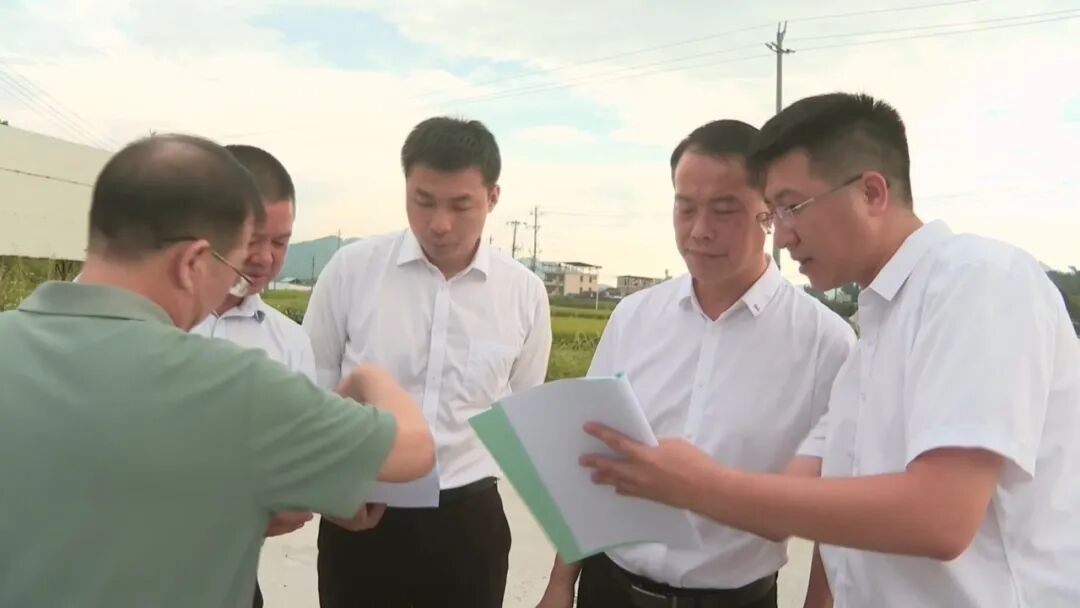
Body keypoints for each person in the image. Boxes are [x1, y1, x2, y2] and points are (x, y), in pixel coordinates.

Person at [581, 92, 1080, 607]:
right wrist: (672, 479)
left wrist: (701, 486)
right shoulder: (874, 339)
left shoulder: (975, 281)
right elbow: (792, 497)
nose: (782, 236)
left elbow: (941, 517)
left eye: (792, 207)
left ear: (871, 192)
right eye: (775, 211)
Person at [0, 133, 435, 608]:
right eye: (233, 265)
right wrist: (369, 377)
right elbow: (413, 450)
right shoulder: (234, 385)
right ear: (192, 262)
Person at [537, 119, 854, 608]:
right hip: (609, 589)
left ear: (769, 213)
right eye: (685, 209)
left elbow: (838, 502)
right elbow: (591, 460)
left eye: (724, 211)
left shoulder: (824, 343)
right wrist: (560, 582)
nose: (700, 231)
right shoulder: (634, 317)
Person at [304, 116, 553, 608]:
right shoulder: (352, 271)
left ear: (493, 197)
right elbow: (311, 392)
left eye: (461, 205)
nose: (440, 223)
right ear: (405, 189)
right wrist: (328, 491)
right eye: (423, 201)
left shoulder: (523, 294)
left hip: (469, 523)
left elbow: (524, 413)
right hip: (362, 514)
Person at [189, 143, 313, 607]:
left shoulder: (289, 342)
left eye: (280, 242)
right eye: (252, 239)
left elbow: (296, 474)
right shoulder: (139, 315)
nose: (264, 258)